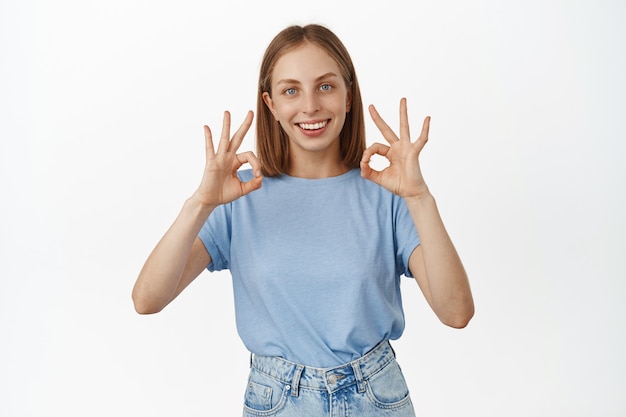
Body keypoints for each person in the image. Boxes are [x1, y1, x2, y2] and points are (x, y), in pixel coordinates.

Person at [132, 23, 474, 416]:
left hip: (376, 399)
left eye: (325, 86)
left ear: (348, 96)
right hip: (277, 401)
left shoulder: (389, 193)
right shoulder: (238, 195)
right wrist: (200, 203)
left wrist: (420, 197)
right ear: (271, 104)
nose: (310, 105)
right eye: (291, 90)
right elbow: (147, 299)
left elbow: (456, 313)